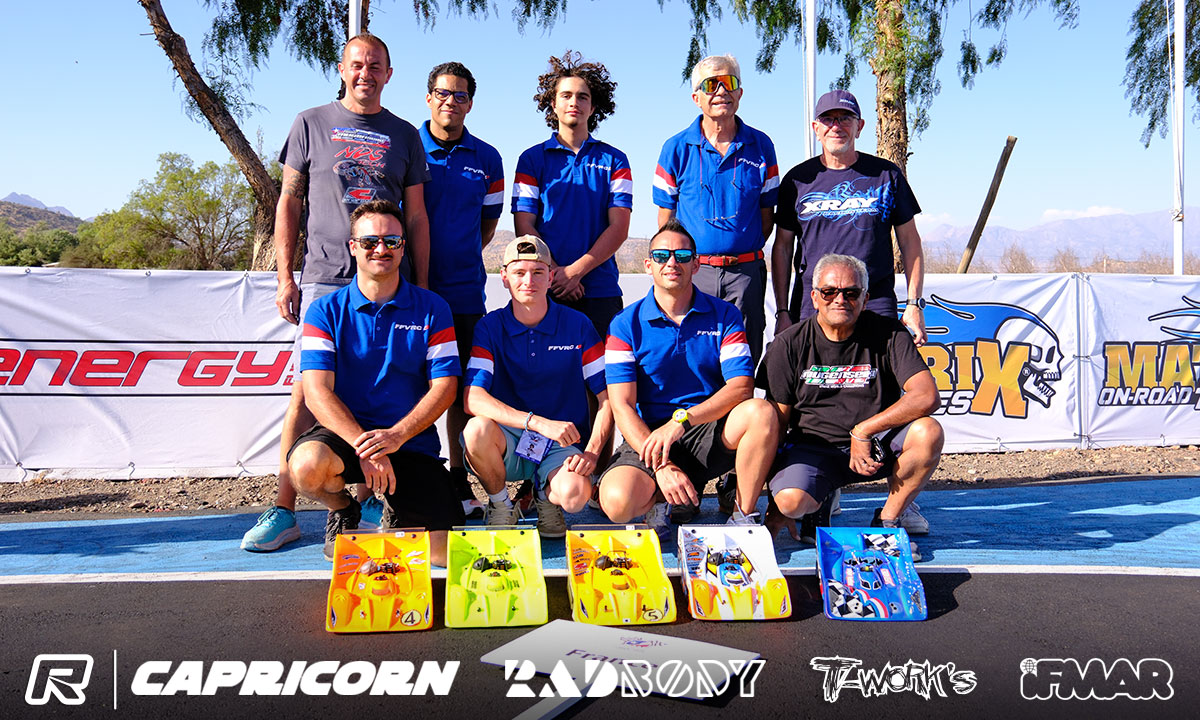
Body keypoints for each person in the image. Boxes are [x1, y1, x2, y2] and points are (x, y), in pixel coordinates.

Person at [242, 33, 431, 552]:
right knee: (306, 392)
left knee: (386, 383)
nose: (366, 73)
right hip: (325, 276)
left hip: (389, 277)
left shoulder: (404, 134)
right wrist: (286, 275)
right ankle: (284, 508)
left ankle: (371, 497)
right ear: (343, 69)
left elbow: (416, 216)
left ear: (389, 73)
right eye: (357, 64)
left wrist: (422, 283)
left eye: (375, 65)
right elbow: (288, 202)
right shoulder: (310, 122)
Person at [286, 200, 464, 564]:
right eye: (370, 242)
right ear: (353, 247)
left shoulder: (434, 308)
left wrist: (395, 437)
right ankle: (344, 508)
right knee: (306, 467)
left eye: (391, 241)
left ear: (403, 247)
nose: (381, 249)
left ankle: (395, 511)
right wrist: (368, 448)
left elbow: (445, 387)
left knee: (441, 555)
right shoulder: (324, 310)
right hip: (346, 439)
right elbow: (316, 391)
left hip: (409, 442)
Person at [599, 219, 779, 539]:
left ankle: (743, 517)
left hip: (706, 429)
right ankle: (662, 500)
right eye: (661, 255)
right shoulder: (624, 324)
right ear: (648, 265)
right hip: (650, 438)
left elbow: (741, 387)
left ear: (696, 265)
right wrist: (661, 465)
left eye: (682, 256)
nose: (672, 262)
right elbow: (621, 405)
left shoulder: (725, 315)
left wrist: (681, 421)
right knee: (617, 502)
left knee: (761, 412)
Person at [758, 254, 943, 559]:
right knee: (791, 501)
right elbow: (776, 425)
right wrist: (773, 503)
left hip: (875, 446)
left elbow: (926, 396)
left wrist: (864, 431)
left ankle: (888, 521)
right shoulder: (788, 344)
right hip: (813, 449)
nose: (840, 300)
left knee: (928, 432)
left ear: (865, 299)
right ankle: (819, 498)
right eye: (829, 292)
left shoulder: (890, 333)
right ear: (814, 297)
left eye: (851, 293)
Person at [461, 236, 612, 538]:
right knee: (475, 431)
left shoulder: (578, 324)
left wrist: (592, 454)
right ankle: (501, 504)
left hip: (560, 443)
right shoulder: (489, 327)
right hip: (511, 438)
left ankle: (545, 496)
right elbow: (472, 399)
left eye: (538, 272)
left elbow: (607, 398)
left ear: (551, 276)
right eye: (519, 272)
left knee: (574, 495)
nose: (528, 281)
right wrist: (537, 422)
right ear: (504, 277)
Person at [772, 89, 928, 346]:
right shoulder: (798, 180)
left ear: (860, 126)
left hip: (874, 303)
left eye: (845, 118)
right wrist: (782, 311)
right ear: (816, 128)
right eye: (827, 119)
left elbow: (911, 242)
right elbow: (782, 248)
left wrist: (914, 305)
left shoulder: (886, 176)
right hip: (813, 304)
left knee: (879, 373)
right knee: (812, 373)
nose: (836, 126)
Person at [652, 53, 779, 365]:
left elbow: (767, 218)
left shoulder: (762, 146)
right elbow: (666, 222)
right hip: (694, 273)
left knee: (743, 361)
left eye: (729, 82)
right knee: (695, 360)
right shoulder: (675, 148)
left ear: (740, 92)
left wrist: (737, 250)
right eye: (711, 84)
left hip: (745, 276)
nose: (721, 91)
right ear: (696, 97)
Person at [419, 61, 505, 516]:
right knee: (414, 386)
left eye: (460, 95)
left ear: (470, 103)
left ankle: (457, 477)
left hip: (466, 293)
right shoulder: (407, 146)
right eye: (443, 93)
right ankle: (415, 474)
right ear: (428, 98)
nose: (450, 101)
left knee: (460, 391)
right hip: (412, 292)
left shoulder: (488, 158)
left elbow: (487, 227)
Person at [512, 50, 631, 337]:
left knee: (602, 369)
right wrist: (556, 273)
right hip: (545, 290)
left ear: (593, 106)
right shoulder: (530, 160)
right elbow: (524, 225)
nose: (574, 102)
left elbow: (619, 227)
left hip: (601, 291)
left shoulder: (616, 160)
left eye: (582, 96)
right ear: (553, 104)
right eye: (565, 95)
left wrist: (575, 272)